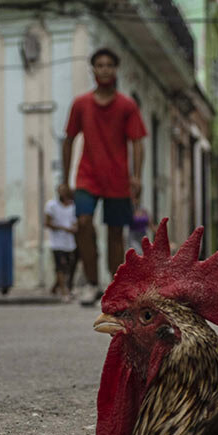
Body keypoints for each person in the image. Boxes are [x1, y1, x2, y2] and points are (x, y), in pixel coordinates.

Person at [61, 48, 146, 307]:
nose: (105, 69)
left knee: (115, 233)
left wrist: (137, 177)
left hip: (117, 178)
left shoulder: (126, 105)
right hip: (87, 177)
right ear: (93, 70)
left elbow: (137, 142)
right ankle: (90, 282)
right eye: (99, 65)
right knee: (84, 223)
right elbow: (69, 140)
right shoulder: (81, 104)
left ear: (116, 69)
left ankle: (115, 286)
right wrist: (65, 179)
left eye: (110, 64)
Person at [44, 183, 78, 301]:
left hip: (70, 243)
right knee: (60, 265)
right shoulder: (51, 205)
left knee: (68, 266)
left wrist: (74, 228)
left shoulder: (73, 206)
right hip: (57, 242)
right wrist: (63, 228)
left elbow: (75, 221)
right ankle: (64, 291)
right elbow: (47, 223)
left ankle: (55, 287)